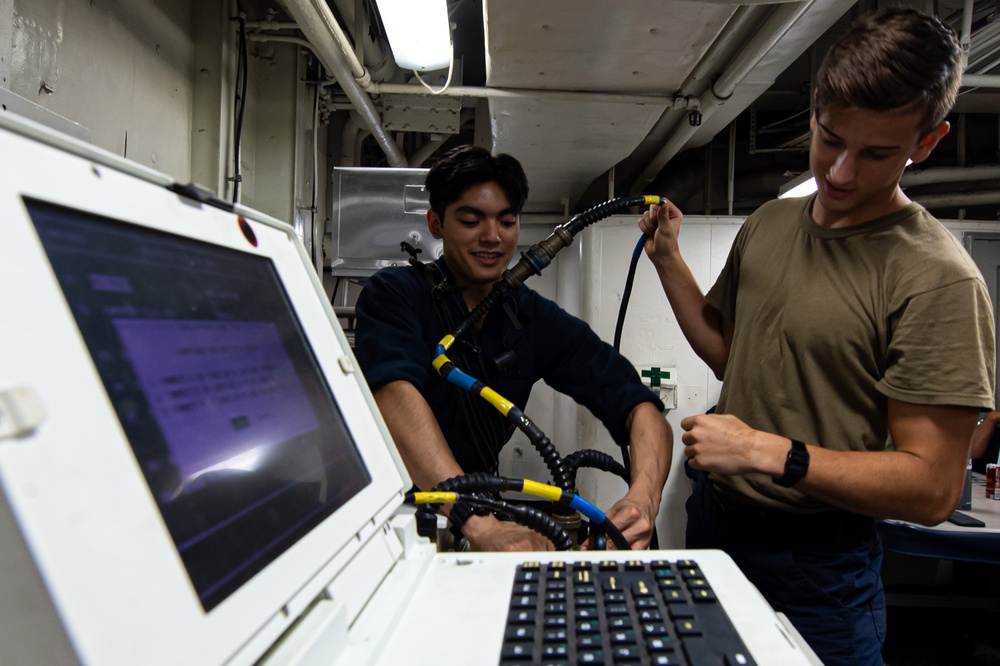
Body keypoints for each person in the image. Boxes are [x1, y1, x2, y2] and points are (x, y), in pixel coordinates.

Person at [637, 8, 995, 666]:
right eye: (830, 139)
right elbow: (728, 352)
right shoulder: (770, 224)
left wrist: (771, 452)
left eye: (876, 153)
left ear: (927, 142)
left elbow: (934, 488)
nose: (840, 172)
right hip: (714, 523)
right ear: (815, 110)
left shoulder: (938, 281)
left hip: (816, 563)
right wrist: (668, 261)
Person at [354, 144, 672, 552]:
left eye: (507, 221)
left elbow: (639, 406)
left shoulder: (530, 318)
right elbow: (394, 394)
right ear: (436, 223)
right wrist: (479, 525)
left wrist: (643, 498)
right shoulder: (394, 294)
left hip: (479, 514)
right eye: (471, 221)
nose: (492, 237)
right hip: (396, 518)